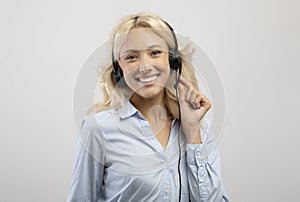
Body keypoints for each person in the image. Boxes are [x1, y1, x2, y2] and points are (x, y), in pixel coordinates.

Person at [66, 12, 229, 202]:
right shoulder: (98, 129)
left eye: (155, 53)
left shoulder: (200, 128)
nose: (145, 66)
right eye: (132, 57)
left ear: (173, 59)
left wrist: (192, 131)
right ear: (120, 68)